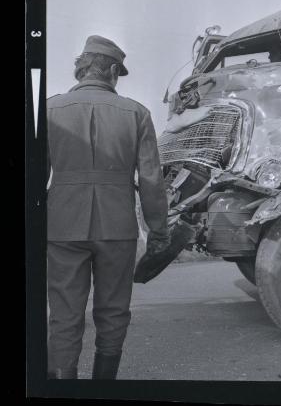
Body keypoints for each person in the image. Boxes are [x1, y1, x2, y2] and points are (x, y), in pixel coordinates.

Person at [46, 35, 170, 379]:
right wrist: (159, 232)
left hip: (61, 226)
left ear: (81, 69)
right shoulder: (137, 114)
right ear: (113, 71)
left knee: (64, 314)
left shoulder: (49, 109)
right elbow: (151, 181)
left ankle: (61, 385)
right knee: (113, 312)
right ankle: (103, 386)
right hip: (117, 228)